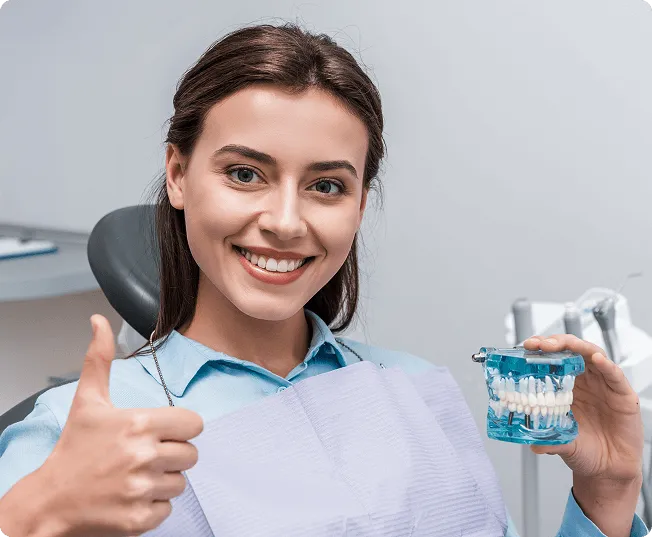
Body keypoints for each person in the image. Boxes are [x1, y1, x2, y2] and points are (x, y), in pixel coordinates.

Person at [0, 23, 646, 537]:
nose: (284, 221)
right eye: (245, 173)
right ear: (177, 174)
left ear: (360, 203)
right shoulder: (78, 430)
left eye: (326, 185)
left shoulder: (416, 388)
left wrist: (608, 492)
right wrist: (32, 518)